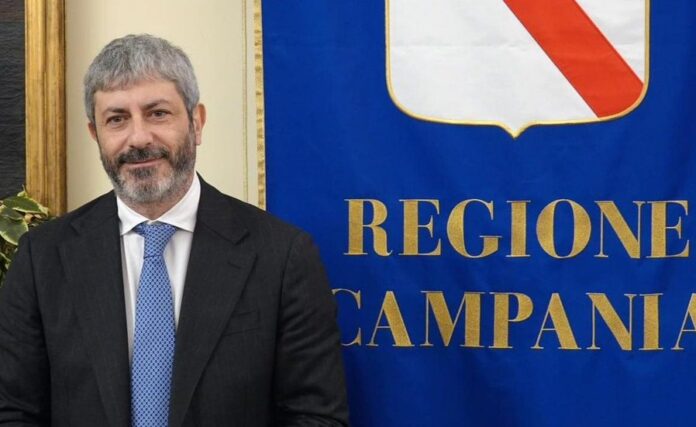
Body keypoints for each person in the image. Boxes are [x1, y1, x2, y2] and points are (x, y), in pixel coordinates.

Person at [0, 34, 349, 426]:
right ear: (95, 135)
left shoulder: (282, 256)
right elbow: (14, 412)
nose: (138, 138)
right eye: (117, 119)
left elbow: (315, 417)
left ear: (196, 123)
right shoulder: (42, 258)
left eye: (157, 113)